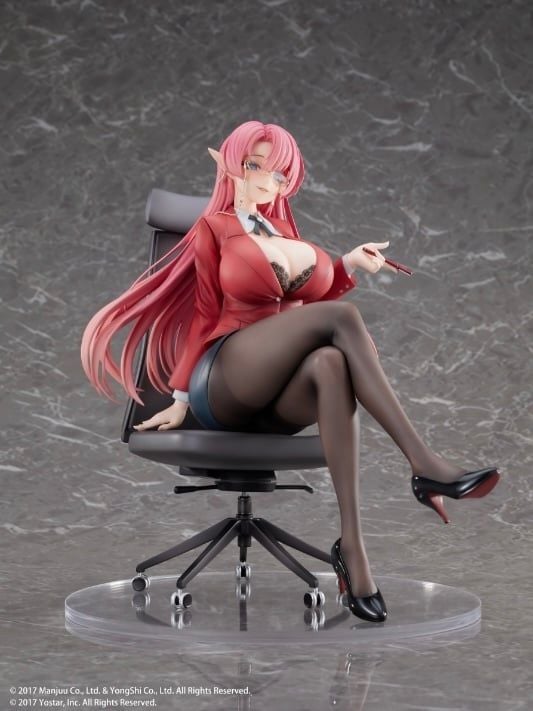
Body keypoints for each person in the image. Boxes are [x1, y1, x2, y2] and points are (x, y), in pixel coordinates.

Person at [81, 120, 500, 623]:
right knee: (343, 319)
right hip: (226, 379)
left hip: (277, 398)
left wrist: (347, 266)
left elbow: (303, 310)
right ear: (230, 165)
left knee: (330, 362)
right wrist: (180, 398)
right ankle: (425, 465)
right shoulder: (214, 228)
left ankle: (353, 547)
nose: (267, 180)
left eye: (279, 174)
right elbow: (205, 314)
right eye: (254, 166)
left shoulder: (282, 231)